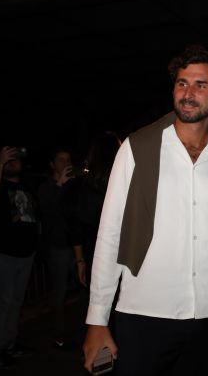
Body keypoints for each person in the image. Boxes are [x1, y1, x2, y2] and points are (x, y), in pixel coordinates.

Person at [83, 45, 208, 376]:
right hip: (144, 314)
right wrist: (97, 319)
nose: (188, 93)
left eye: (201, 85)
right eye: (182, 83)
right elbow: (110, 234)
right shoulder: (137, 149)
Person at [0, 146, 40, 368]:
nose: (14, 162)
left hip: (25, 253)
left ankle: (9, 343)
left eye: (16, 159)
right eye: (9, 160)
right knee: (2, 302)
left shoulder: (26, 185)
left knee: (15, 302)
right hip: (2, 253)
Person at [64, 132, 121, 336]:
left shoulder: (83, 187)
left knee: (100, 309)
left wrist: (80, 260)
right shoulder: (124, 184)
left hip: (96, 256)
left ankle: (103, 347)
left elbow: (76, 228)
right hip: (119, 257)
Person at [36, 148, 76, 349]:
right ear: (52, 164)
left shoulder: (74, 185)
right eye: (61, 160)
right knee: (58, 293)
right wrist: (59, 185)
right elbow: (48, 211)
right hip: (58, 246)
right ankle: (58, 335)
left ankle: (87, 331)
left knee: (87, 287)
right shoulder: (46, 187)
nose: (65, 163)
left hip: (76, 245)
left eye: (68, 159)